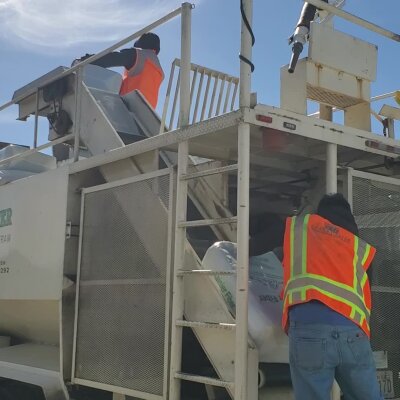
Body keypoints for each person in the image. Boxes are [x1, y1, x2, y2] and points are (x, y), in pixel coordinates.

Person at [249, 194, 382, 399]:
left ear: (321, 214)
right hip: (353, 334)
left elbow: (254, 247)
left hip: (310, 332)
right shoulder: (360, 247)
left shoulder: (300, 228)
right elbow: (366, 296)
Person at [73, 32, 164, 109]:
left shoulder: (139, 54)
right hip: (148, 113)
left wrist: (85, 59)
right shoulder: (159, 71)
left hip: (129, 107)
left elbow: (111, 58)